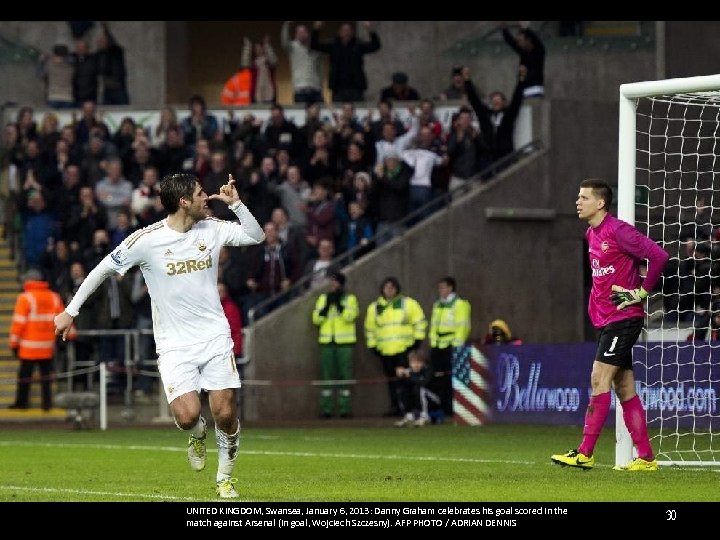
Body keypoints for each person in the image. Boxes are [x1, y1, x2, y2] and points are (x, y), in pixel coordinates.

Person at [54, 173, 265, 497]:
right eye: (199, 194)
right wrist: (71, 310)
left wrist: (236, 204)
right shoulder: (147, 241)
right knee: (187, 415)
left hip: (214, 337)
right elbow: (102, 269)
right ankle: (196, 434)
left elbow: (256, 235)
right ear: (183, 202)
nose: (205, 197)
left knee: (224, 411)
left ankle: (225, 478)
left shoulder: (211, 228)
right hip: (174, 345)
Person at [551, 179, 669, 472]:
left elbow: (659, 256)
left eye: (584, 197)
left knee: (598, 378)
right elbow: (602, 278)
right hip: (606, 320)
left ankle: (585, 452)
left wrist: (640, 293)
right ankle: (646, 458)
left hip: (623, 318)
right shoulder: (591, 233)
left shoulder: (618, 230)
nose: (578, 202)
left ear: (600, 203)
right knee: (624, 387)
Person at [365, 277, 427, 417]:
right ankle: (396, 407)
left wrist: (416, 341)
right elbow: (370, 329)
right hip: (385, 350)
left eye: (392, 287)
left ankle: (410, 408)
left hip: (404, 349)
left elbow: (419, 322)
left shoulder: (408, 304)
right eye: (386, 287)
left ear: (397, 289)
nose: (389, 290)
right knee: (391, 381)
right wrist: (373, 346)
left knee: (407, 380)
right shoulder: (375, 307)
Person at [9, 269, 67, 411]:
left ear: (30, 281)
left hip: (28, 347)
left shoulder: (25, 298)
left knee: (24, 377)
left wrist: (13, 344)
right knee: (46, 378)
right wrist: (67, 337)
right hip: (47, 346)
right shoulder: (54, 297)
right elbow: (63, 318)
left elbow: (19, 323)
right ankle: (46, 404)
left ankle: (22, 403)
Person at [311, 271, 359, 418]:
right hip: (327, 342)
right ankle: (327, 409)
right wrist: (326, 308)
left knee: (345, 375)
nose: (333, 285)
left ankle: (345, 408)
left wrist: (339, 305)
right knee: (327, 376)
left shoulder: (350, 299)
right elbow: (316, 319)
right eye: (331, 282)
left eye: (336, 282)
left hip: (345, 343)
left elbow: (351, 317)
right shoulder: (323, 298)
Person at [429, 276, 471, 417]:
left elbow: (463, 326)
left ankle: (454, 407)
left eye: (443, 287)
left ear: (450, 288)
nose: (440, 290)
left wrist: (456, 345)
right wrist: (434, 342)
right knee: (439, 378)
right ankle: (442, 406)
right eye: (439, 288)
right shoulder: (438, 305)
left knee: (452, 378)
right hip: (438, 345)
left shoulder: (460, 304)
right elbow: (434, 325)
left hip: (452, 344)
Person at [394, 347, 438, 427]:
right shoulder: (409, 371)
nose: (416, 365)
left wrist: (410, 376)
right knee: (402, 391)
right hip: (417, 400)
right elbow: (404, 386)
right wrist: (401, 376)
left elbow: (423, 383)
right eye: (413, 362)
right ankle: (409, 415)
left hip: (433, 398)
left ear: (423, 362)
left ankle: (424, 416)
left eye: (419, 362)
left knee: (420, 389)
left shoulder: (428, 370)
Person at [281, 21, 323, 104]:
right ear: (296, 35)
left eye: (303, 32)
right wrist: (287, 25)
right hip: (300, 90)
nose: (301, 34)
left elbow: (320, 68)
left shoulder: (315, 48)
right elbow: (284, 41)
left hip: (316, 89)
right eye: (299, 32)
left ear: (308, 34)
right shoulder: (293, 47)